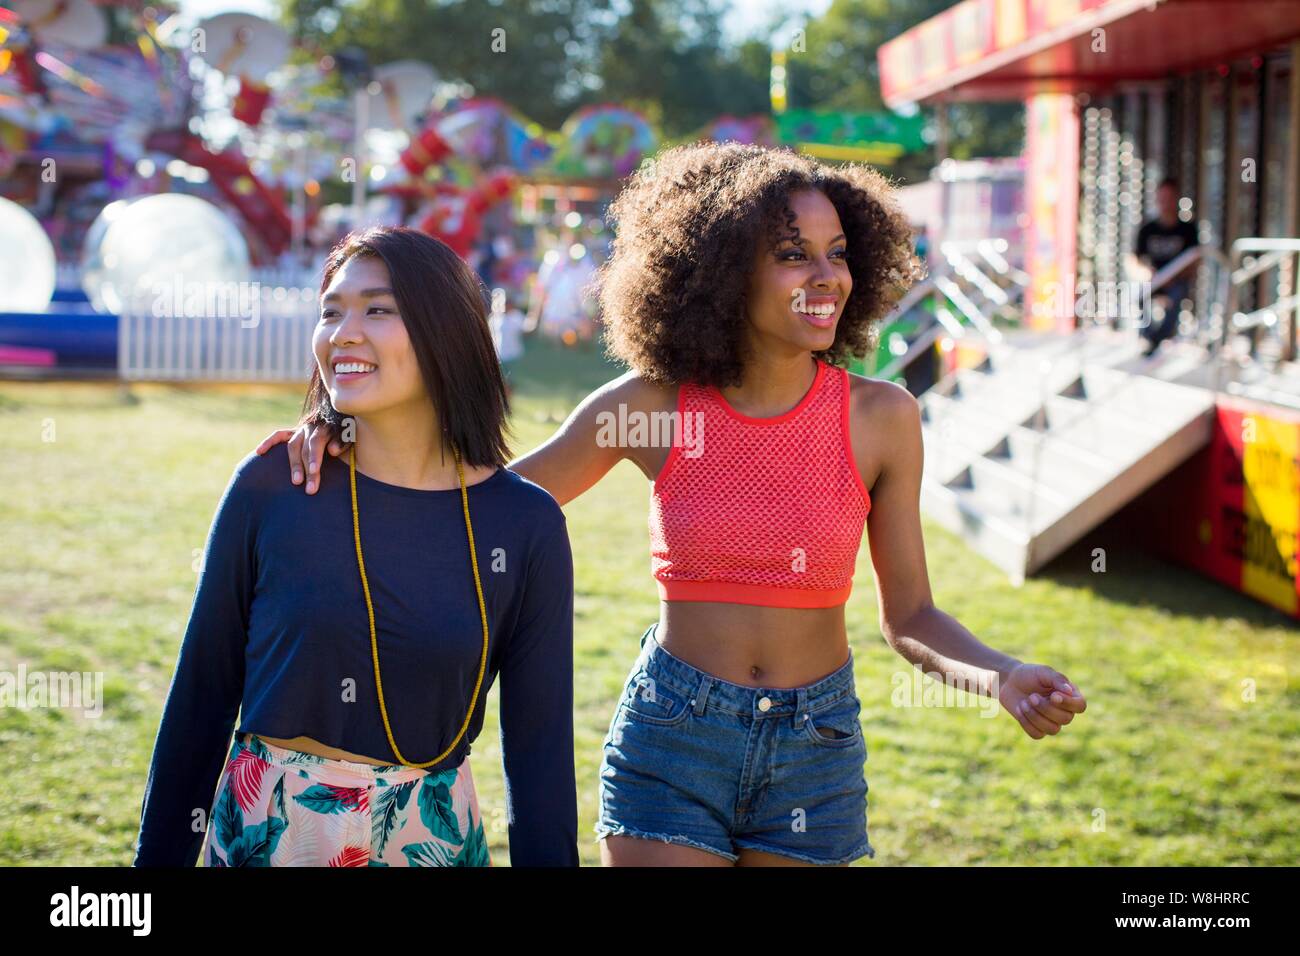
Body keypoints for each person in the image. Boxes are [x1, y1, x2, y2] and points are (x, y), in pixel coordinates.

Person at [258, 143, 1088, 867]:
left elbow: (909, 615)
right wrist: (345, 438)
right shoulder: (651, 406)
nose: (826, 275)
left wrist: (1003, 675)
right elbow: (485, 501)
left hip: (818, 745)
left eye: (837, 253)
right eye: (794, 254)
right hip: (674, 735)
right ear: (723, 269)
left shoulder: (882, 419)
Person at [134, 226, 577, 867]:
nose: (342, 332)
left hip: (432, 836)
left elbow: (540, 755)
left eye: (377, 309)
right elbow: (199, 703)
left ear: (447, 329)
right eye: (331, 311)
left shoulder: (527, 524)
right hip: (273, 834)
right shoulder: (276, 485)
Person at [1129, 177, 1200, 356]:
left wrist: (1174, 276)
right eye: (1162, 198)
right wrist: (1145, 273)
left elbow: (1195, 261)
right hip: (1154, 280)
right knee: (1138, 294)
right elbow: (1134, 258)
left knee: (1178, 294)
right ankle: (1147, 336)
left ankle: (1158, 339)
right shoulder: (1148, 229)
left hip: (1177, 281)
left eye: (1169, 198)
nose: (1165, 203)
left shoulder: (1188, 229)